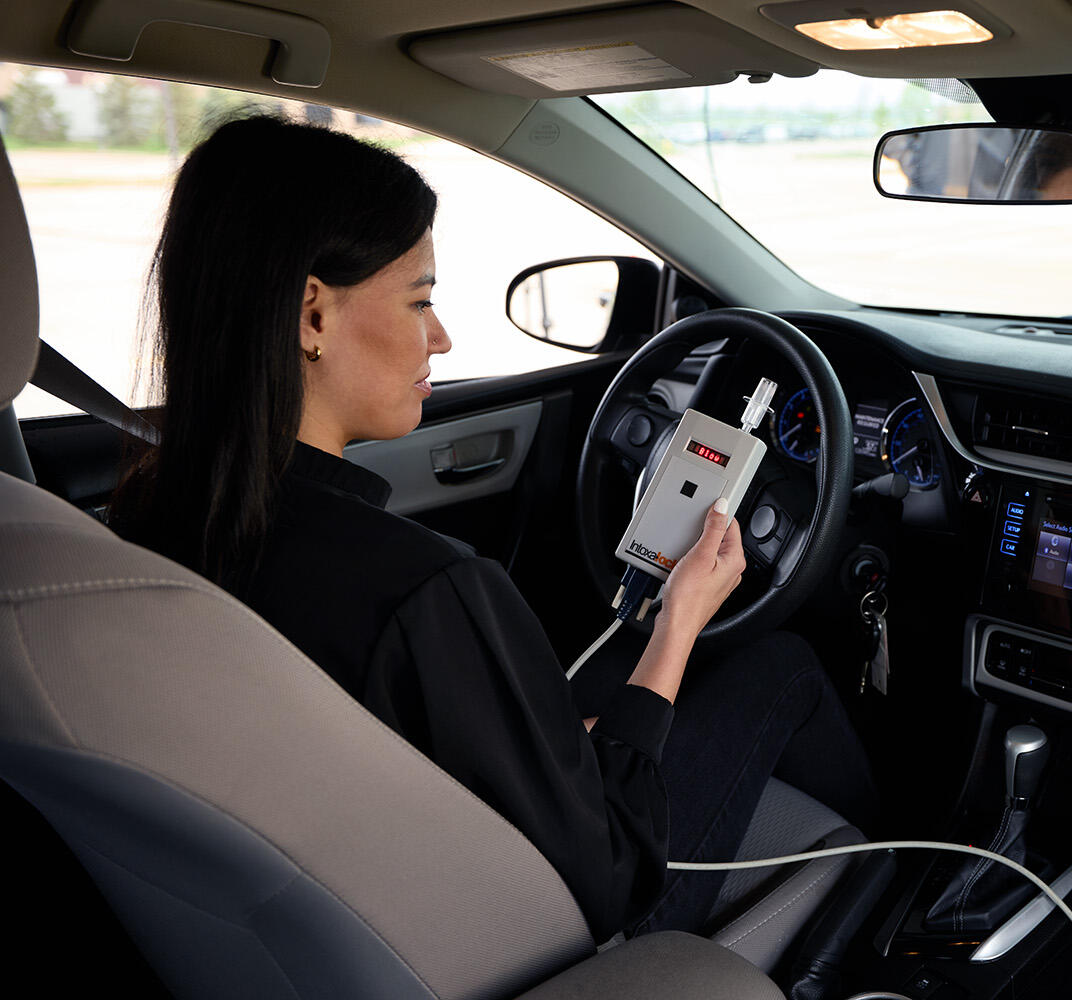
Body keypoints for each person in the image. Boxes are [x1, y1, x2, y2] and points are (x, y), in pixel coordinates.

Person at [112, 115, 877, 943]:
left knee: (602, 681)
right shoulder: (426, 592)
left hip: (335, 896)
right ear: (311, 315)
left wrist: (560, 743)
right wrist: (679, 623)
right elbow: (614, 872)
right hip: (535, 936)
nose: (441, 337)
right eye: (420, 300)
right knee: (781, 666)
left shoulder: (151, 513)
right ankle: (889, 902)